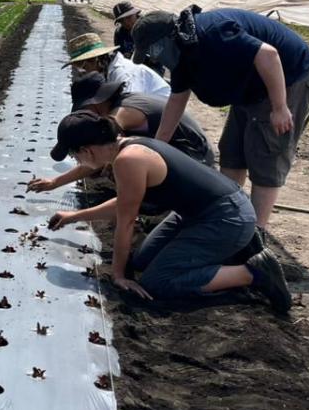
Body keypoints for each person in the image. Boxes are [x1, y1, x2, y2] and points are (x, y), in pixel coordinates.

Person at [45, 111, 290, 312]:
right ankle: (229, 252)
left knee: (158, 283)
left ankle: (253, 272)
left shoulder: (128, 161)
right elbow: (125, 204)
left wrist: (118, 275)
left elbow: (126, 220)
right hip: (199, 213)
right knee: (141, 260)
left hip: (226, 218)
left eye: (73, 154)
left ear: (87, 150)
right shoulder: (128, 145)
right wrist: (74, 216)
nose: (76, 161)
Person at [131, 7, 309, 229]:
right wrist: (157, 147)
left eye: (152, 51)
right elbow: (176, 101)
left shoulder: (212, 33)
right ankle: (228, 214)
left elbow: (268, 54)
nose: (153, 57)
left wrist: (279, 107)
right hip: (250, 88)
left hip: (288, 78)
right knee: (232, 151)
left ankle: (254, 233)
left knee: (266, 153)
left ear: (165, 41)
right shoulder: (183, 56)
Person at [28, 72, 213, 193]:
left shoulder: (122, 114)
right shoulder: (123, 103)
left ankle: (152, 202)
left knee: (121, 164)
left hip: (195, 158)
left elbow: (97, 154)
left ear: (98, 102)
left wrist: (55, 183)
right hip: (185, 153)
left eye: (88, 108)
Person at [64, 32, 169, 97]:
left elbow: (129, 108)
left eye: (84, 67)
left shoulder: (123, 74)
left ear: (96, 60)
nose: (84, 73)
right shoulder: (108, 72)